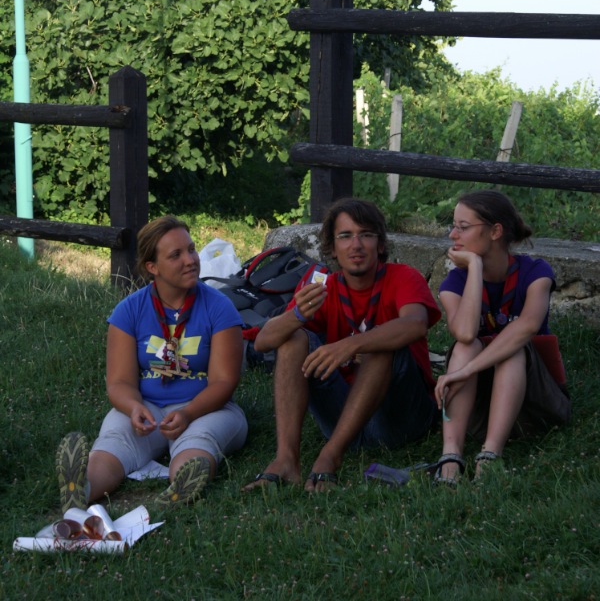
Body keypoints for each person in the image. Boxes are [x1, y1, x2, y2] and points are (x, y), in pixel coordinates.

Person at [243, 198, 441, 493]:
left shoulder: (403, 276)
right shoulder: (324, 287)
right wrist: (297, 315)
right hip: (342, 416)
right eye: (345, 236)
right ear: (333, 248)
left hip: (400, 419)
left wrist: (349, 345)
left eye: (366, 235)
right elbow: (262, 342)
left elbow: (415, 324)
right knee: (293, 338)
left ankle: (330, 456)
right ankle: (286, 459)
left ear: (380, 245)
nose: (356, 245)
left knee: (381, 342)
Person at [56, 216, 248, 512]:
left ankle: (181, 485)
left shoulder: (219, 307)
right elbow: (119, 382)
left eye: (191, 249)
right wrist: (134, 408)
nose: (190, 260)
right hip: (147, 408)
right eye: (176, 255)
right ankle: (81, 487)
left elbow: (224, 381)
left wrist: (188, 413)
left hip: (206, 408)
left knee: (199, 439)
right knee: (114, 441)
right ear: (152, 267)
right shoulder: (128, 311)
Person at [434, 190, 571, 484]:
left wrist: (467, 370)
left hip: (536, 404)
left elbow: (528, 326)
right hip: (480, 411)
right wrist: (475, 268)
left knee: (511, 346)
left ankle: (490, 456)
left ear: (495, 231)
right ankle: (451, 455)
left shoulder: (536, 272)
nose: (452, 235)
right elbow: (465, 332)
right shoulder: (454, 282)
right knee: (465, 346)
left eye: (463, 227)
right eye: (453, 226)